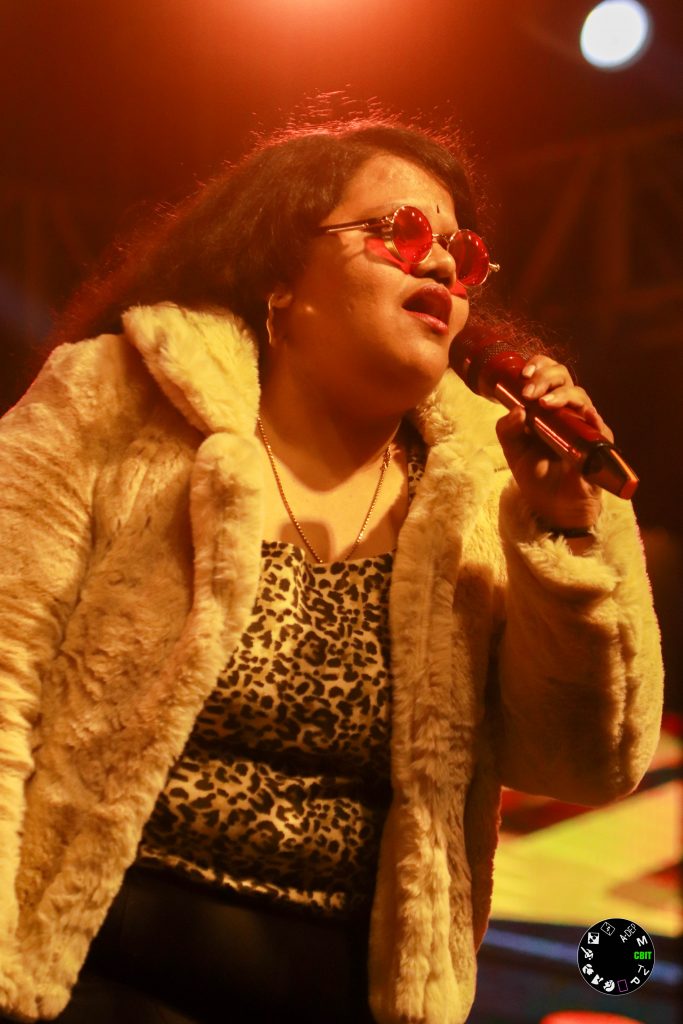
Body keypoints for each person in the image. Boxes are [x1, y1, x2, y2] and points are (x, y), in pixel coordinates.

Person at [0, 116, 663, 1024]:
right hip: (84, 975)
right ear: (279, 274)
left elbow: (590, 761)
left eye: (462, 253)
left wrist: (563, 530)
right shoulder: (116, 396)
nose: (441, 263)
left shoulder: (488, 490)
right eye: (402, 231)